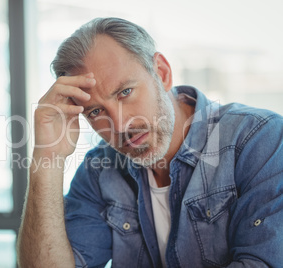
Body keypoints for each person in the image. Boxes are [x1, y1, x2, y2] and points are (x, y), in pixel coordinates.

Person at [17, 17, 283, 268]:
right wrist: (48, 158)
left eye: (125, 92)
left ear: (162, 73)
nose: (120, 126)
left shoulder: (258, 139)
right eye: (95, 112)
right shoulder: (99, 170)